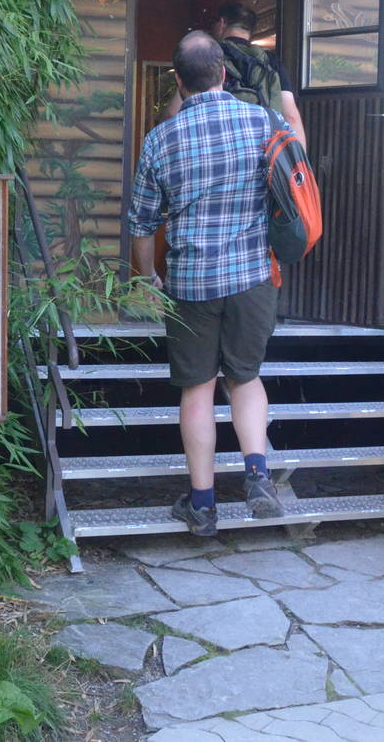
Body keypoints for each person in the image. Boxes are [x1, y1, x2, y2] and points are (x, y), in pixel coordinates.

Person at [127, 31, 284, 536]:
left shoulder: (161, 138)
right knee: (245, 378)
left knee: (197, 389)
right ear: (222, 73)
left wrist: (148, 278)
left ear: (178, 80)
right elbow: (292, 175)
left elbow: (141, 223)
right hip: (253, 274)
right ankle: (257, 474)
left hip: (192, 281)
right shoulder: (262, 120)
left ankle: (202, 504)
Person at [158, 3, 307, 145]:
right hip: (265, 152)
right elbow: (291, 117)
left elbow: (173, 113)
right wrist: (299, 166)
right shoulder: (270, 61)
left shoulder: (210, 56)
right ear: (250, 30)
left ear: (222, 23)